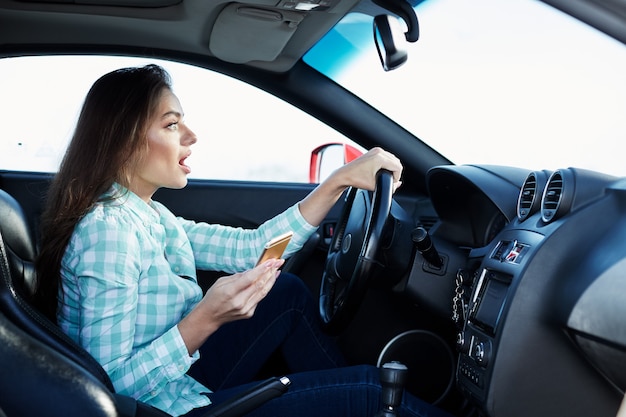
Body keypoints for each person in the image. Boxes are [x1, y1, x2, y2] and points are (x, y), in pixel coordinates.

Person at [33, 64, 452, 417]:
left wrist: (337, 182)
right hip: (160, 407)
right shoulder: (109, 233)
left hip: (174, 381)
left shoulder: (149, 216)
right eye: (172, 124)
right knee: (373, 393)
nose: (191, 136)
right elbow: (105, 392)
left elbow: (252, 250)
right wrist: (206, 320)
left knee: (284, 291)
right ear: (122, 141)